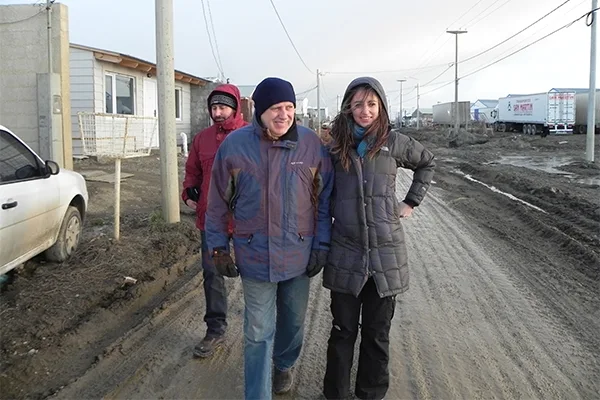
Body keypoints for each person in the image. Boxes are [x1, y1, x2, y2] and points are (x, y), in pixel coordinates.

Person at [205, 77, 333, 400]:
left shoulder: (311, 146)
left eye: (289, 107)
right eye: (276, 108)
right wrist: (218, 246)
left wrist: (321, 244)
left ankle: (284, 363)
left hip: (298, 254)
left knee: (293, 324)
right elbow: (217, 201)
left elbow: (325, 199)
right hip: (255, 255)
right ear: (260, 111)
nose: (284, 114)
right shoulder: (234, 147)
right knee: (258, 332)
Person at [322, 77, 436, 400]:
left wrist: (410, 201)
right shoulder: (334, 147)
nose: (365, 111)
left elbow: (427, 162)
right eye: (358, 104)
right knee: (342, 332)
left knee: (376, 334)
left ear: (381, 107)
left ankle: (370, 394)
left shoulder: (393, 142)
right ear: (348, 108)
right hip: (345, 252)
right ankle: (336, 395)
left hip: (385, 256)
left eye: (371, 104)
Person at [181, 83, 248, 358]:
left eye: (223, 107)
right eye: (214, 107)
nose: (218, 112)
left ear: (235, 108)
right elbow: (192, 171)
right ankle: (215, 329)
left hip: (247, 222)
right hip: (213, 221)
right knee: (212, 274)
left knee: (256, 275)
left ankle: (261, 329)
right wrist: (188, 192)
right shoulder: (202, 139)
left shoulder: (251, 135)